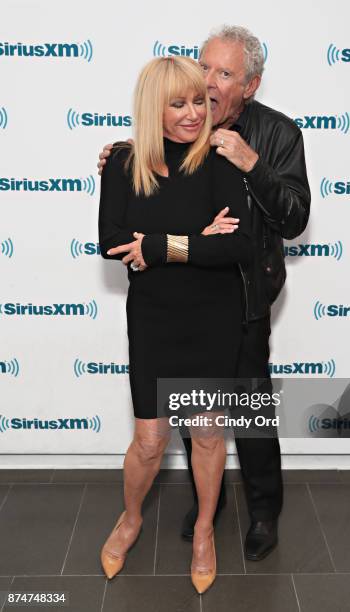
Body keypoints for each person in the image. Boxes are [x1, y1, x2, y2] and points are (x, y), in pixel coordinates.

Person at [97, 25, 311, 562]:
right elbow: (130, 225)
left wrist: (251, 164)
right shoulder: (179, 132)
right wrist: (122, 161)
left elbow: (291, 218)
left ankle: (263, 513)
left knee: (251, 413)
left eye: (223, 74)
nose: (208, 86)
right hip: (180, 301)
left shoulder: (277, 134)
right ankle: (207, 508)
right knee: (199, 424)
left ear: (251, 84)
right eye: (203, 67)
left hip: (247, 296)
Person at [98, 55, 253, 594]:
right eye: (179, 103)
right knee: (149, 440)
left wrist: (160, 244)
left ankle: (206, 530)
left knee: (208, 434)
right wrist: (197, 238)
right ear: (152, 108)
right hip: (155, 318)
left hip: (213, 316)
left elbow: (237, 244)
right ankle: (131, 517)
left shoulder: (219, 161)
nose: (194, 114)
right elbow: (111, 242)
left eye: (200, 102)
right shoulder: (122, 162)